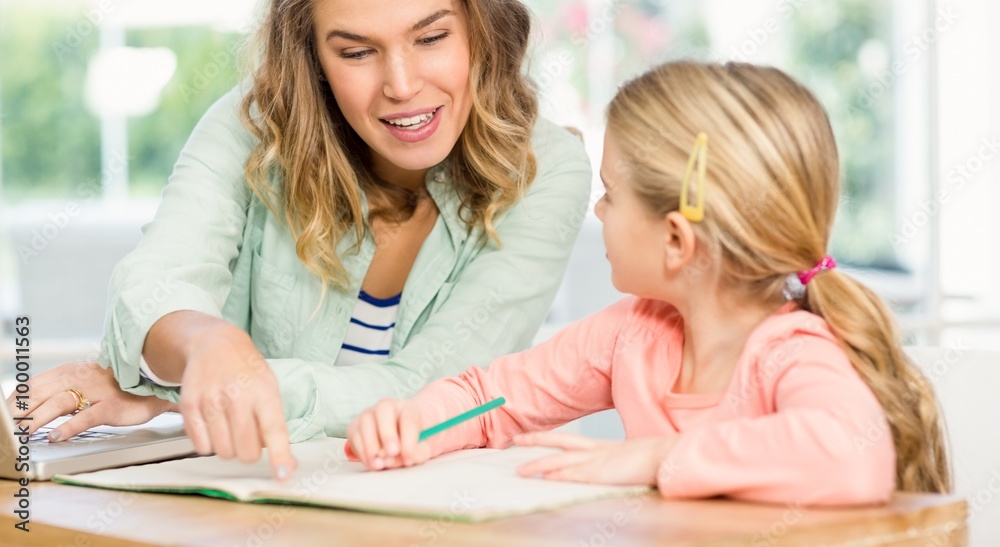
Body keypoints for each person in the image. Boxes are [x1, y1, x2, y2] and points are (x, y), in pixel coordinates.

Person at [9, 0, 591, 481]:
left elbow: (431, 390)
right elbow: (157, 283)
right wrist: (207, 346)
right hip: (271, 498)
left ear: (482, 28)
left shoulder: (545, 170)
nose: (401, 84)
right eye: (357, 52)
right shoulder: (252, 127)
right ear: (311, 58)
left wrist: (178, 394)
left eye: (432, 37)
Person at [345, 60, 951, 505]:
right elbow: (490, 399)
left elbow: (853, 457)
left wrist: (659, 458)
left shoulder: (791, 352)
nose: (600, 212)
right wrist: (416, 424)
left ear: (676, 241)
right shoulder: (632, 334)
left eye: (612, 194)